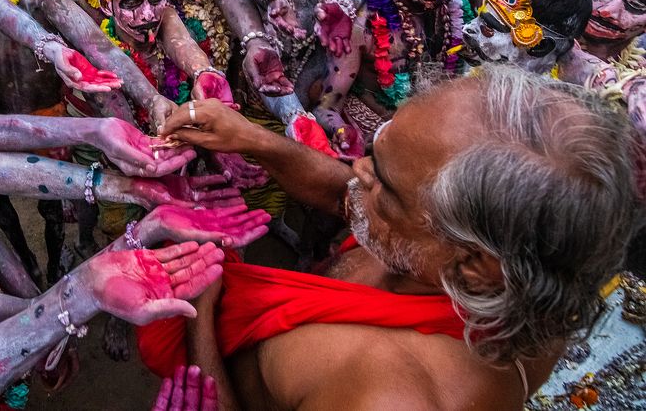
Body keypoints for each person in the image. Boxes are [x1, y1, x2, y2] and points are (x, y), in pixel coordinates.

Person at [141, 66, 640, 410]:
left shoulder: (386, 394)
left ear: (471, 265)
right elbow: (357, 198)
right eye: (376, 153)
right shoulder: (511, 261)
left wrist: (201, 308)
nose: (356, 171)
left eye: (385, 183)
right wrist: (252, 139)